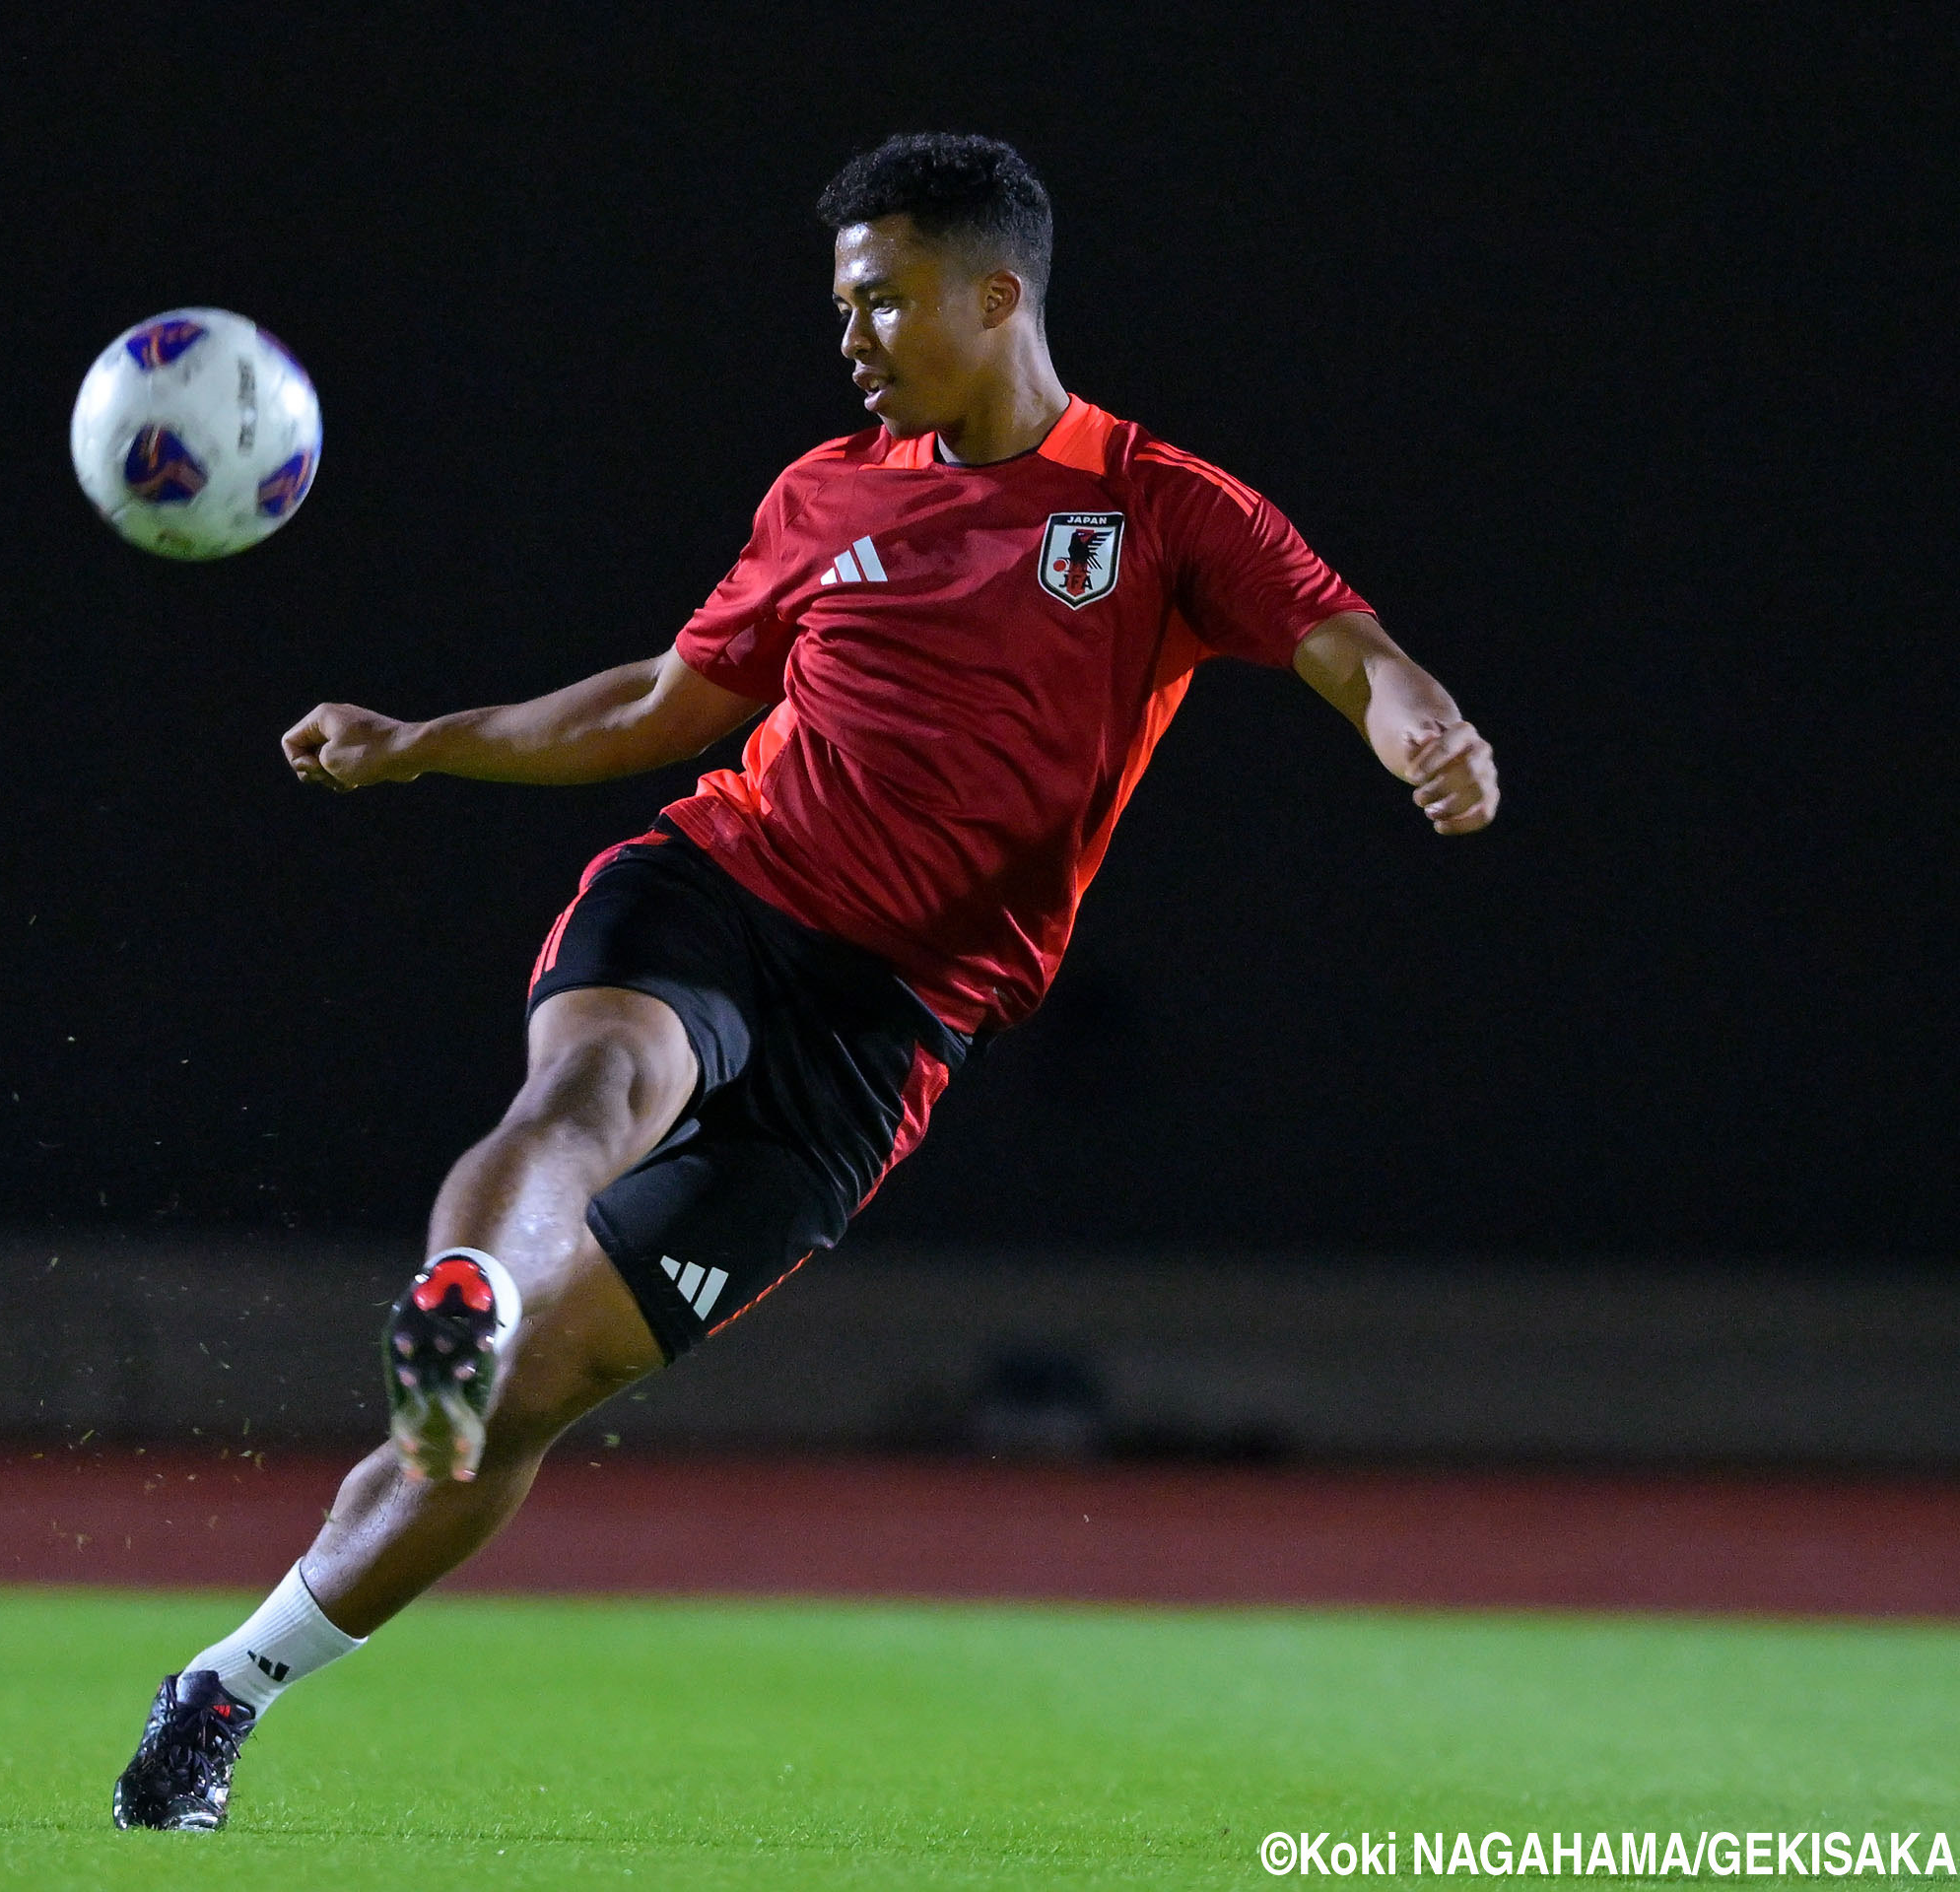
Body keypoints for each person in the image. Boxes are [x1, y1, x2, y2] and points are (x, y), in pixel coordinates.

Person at [111, 131, 1499, 1830]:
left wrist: (1424, 727)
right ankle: (457, 1292)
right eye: (841, 304)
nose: (849, 335)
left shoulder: (1156, 507)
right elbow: (661, 708)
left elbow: (1343, 643)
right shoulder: (825, 494)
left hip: (886, 1033)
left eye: (881, 300)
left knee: (533, 1405)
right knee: (590, 1092)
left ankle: (221, 1687)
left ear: (997, 297)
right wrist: (425, 746)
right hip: (721, 896)